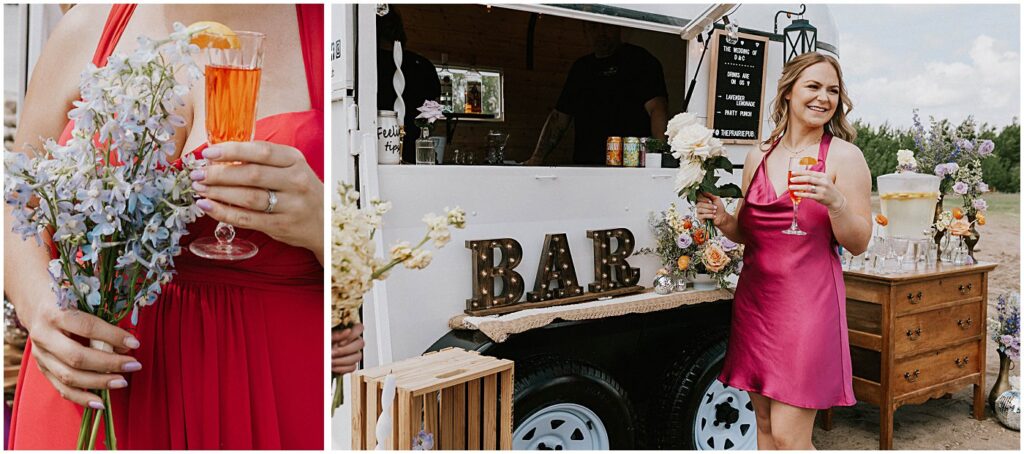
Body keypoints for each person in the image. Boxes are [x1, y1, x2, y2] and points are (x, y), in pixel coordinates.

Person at [5, 4, 324, 449]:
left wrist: (322, 224)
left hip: (269, 383)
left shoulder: (337, 33)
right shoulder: (91, 23)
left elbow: (374, 243)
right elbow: (15, 200)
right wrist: (38, 305)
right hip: (90, 380)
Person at [695, 52, 872, 450]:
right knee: (764, 427)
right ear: (789, 92)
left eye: (833, 90)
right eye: (813, 86)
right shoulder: (759, 154)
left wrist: (836, 202)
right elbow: (750, 230)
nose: (823, 98)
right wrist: (724, 219)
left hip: (808, 307)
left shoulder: (845, 156)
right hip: (756, 303)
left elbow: (859, 243)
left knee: (792, 437)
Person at [525, 21, 669, 166]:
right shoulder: (581, 68)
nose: (601, 32)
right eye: (593, 27)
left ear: (618, 26)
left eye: (606, 26)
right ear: (585, 32)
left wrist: (659, 159)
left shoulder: (640, 60)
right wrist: (537, 158)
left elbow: (657, 109)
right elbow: (559, 118)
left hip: (630, 167)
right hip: (586, 166)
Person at [376, 7, 441, 163]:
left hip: (378, 152)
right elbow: (434, 112)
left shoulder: (367, 65)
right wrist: (424, 131)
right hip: (417, 155)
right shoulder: (422, 65)